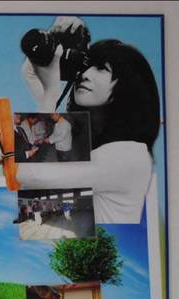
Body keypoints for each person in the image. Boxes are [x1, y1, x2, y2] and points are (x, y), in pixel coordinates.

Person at [17, 17, 160, 224]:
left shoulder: (127, 154)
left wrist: (50, 93)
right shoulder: (89, 138)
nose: (84, 74)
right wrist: (51, 43)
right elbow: (30, 74)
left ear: (129, 86)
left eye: (100, 68)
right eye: (84, 66)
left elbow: (27, 176)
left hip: (104, 242)